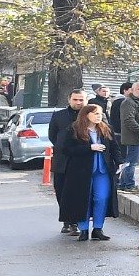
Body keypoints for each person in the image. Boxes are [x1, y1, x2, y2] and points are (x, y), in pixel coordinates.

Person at [55, 104, 116, 242]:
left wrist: (120, 162)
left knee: (101, 198)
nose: (98, 116)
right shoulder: (74, 129)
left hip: (102, 170)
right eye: (95, 113)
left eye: (100, 113)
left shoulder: (106, 129)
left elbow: (114, 147)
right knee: (84, 199)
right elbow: (67, 149)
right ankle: (83, 230)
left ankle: (98, 229)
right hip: (81, 171)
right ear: (86, 115)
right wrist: (89, 148)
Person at [48, 89, 87, 234]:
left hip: (82, 160)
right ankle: (66, 220)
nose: (78, 103)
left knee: (77, 192)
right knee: (61, 191)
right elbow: (53, 136)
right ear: (69, 100)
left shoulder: (90, 115)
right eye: (75, 100)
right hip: (62, 160)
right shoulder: (59, 116)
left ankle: (75, 222)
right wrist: (62, 146)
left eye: (81, 100)